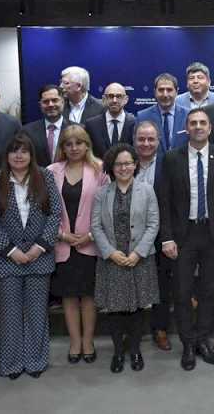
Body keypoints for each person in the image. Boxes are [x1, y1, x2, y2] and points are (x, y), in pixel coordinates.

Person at [158, 108, 214, 370]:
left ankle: (202, 340)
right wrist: (167, 238)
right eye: (193, 123)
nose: (198, 127)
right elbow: (165, 201)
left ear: (209, 127)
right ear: (186, 128)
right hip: (183, 236)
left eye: (202, 123)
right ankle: (187, 344)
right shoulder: (172, 158)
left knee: (208, 292)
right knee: (182, 293)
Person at [0, 132, 61, 379]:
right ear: (7, 155)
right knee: (10, 314)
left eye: (24, 151)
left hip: (40, 257)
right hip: (7, 260)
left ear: (31, 155)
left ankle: (36, 362)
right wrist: (11, 250)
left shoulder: (45, 176)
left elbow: (54, 214)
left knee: (37, 312)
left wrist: (40, 246)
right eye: (14, 151)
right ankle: (12, 364)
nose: (18, 155)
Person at [92, 144, 161, 373]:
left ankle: (135, 350)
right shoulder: (102, 193)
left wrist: (137, 253)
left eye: (128, 163)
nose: (124, 168)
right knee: (115, 309)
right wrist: (110, 252)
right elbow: (96, 226)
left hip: (138, 259)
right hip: (112, 259)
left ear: (135, 165)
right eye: (119, 164)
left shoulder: (147, 190)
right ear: (112, 167)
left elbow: (153, 224)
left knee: (139, 308)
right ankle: (118, 352)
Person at [47, 125, 108, 364]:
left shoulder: (100, 169)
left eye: (78, 143)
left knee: (88, 296)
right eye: (68, 144)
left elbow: (106, 208)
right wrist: (61, 235)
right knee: (69, 297)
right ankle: (74, 342)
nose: (74, 148)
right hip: (62, 244)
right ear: (63, 147)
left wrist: (91, 235)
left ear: (87, 145)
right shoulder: (51, 171)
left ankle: (88, 341)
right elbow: (44, 209)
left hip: (90, 244)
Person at [133, 121, 173, 351]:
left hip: (161, 235)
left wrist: (169, 235)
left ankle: (160, 328)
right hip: (131, 235)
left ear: (159, 140)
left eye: (151, 139)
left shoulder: (169, 162)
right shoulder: (125, 162)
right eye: (141, 139)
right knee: (132, 285)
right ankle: (133, 332)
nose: (146, 143)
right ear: (134, 140)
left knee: (161, 285)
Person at [136, 73, 189, 155]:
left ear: (176, 92)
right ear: (154, 92)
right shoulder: (142, 117)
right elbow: (137, 148)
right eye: (161, 90)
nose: (165, 94)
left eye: (169, 90)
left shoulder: (188, 115)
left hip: (181, 166)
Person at [21, 84, 73, 167]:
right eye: (45, 101)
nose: (50, 104)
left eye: (55, 100)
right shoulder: (27, 132)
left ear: (63, 102)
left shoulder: (77, 129)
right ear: (40, 105)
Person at [84, 82, 136, 159]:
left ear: (126, 100)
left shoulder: (135, 123)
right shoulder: (91, 125)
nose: (114, 100)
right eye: (110, 96)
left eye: (119, 96)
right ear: (104, 99)